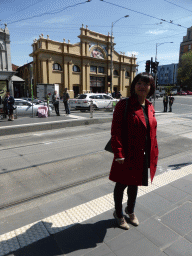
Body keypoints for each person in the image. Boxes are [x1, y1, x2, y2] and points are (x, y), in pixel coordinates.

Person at [109, 72, 159, 230]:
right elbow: (115, 131)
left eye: (146, 84)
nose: (142, 86)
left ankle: (130, 210)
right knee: (121, 185)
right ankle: (118, 213)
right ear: (134, 86)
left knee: (134, 184)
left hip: (142, 154)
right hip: (126, 155)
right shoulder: (123, 105)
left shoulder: (150, 106)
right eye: (139, 83)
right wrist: (119, 154)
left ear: (151, 87)